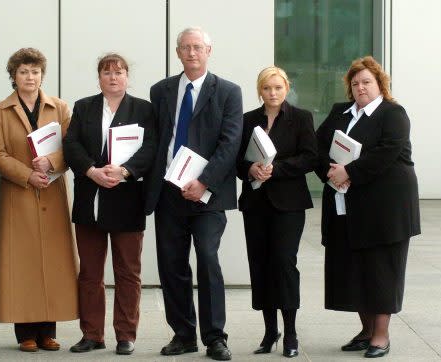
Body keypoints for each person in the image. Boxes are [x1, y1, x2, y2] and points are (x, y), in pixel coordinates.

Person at [146, 27, 242, 361]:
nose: (191, 53)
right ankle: (183, 334)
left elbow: (229, 144)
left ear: (209, 51)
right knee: (171, 265)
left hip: (207, 195)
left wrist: (204, 182)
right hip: (168, 192)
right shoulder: (160, 91)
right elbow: (156, 141)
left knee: (207, 258)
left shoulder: (228, 92)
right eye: (185, 48)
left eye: (197, 47)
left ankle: (215, 337)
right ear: (177, 52)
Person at [315, 56, 420, 358]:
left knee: (381, 271)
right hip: (346, 204)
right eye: (355, 83)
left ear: (380, 84)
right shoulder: (340, 113)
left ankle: (381, 336)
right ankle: (365, 331)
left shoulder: (393, 113)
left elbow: (387, 153)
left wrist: (350, 172)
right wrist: (331, 172)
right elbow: (318, 147)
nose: (360, 87)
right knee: (353, 270)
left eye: (367, 82)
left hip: (386, 208)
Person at [63, 53, 156, 356]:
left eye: (119, 72)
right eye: (106, 72)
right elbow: (71, 144)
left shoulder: (143, 109)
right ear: (99, 77)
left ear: (127, 76)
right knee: (90, 272)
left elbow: (151, 147)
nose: (113, 77)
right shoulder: (84, 107)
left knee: (128, 272)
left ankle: (126, 334)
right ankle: (92, 334)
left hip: (127, 199)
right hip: (91, 197)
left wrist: (125, 171)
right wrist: (92, 170)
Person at [0, 48, 79, 352]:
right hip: (19, 194)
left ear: (43, 74)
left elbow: (73, 148)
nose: (30, 77)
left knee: (53, 263)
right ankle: (25, 332)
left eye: (35, 71)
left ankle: (48, 331)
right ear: (13, 76)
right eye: (24, 72)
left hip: (52, 193)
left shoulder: (61, 108)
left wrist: (53, 161)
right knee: (22, 263)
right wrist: (27, 175)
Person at [236, 66, 317, 358]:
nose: (272, 93)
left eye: (278, 88)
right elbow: (236, 161)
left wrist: (276, 169)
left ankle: (291, 333)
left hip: (289, 204)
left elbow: (310, 157)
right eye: (267, 88)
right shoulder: (247, 120)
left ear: (286, 88)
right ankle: (270, 331)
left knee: (283, 264)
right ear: (260, 90)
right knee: (259, 264)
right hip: (255, 204)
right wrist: (250, 168)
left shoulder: (301, 118)